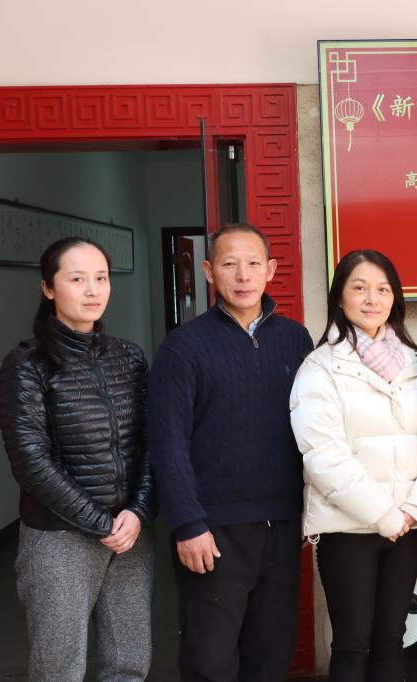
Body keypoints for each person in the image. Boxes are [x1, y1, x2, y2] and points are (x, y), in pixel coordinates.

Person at [148, 223, 314, 681]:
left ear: (270, 270)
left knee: (271, 653)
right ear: (208, 271)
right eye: (229, 264)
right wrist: (188, 524)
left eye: (253, 263)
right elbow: (167, 441)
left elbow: (314, 431)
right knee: (210, 658)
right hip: (213, 529)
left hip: (283, 524)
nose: (243, 275)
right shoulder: (183, 347)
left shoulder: (296, 340)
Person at [0, 237, 154, 682]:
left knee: (128, 664)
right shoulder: (26, 365)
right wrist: (101, 523)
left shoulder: (129, 357)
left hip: (131, 532)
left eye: (101, 278)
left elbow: (152, 442)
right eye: (77, 278)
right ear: (48, 288)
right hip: (60, 536)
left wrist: (138, 511)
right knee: (59, 668)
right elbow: (30, 460)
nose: (92, 290)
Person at [289, 250, 417, 681]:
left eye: (383, 289)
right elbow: (323, 456)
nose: (372, 299)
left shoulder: (415, 363)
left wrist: (415, 509)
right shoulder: (320, 367)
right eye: (359, 288)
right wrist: (384, 515)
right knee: (353, 644)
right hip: (348, 530)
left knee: (392, 639)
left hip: (405, 527)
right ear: (340, 297)